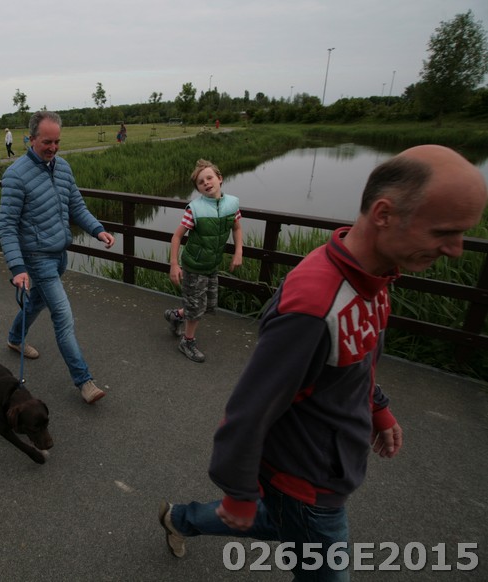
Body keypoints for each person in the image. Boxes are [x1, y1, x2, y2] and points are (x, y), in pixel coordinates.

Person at [158, 145, 488, 580]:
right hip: (307, 478)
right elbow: (249, 408)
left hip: (324, 466)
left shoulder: (375, 277)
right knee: (299, 536)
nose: (457, 249)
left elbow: (358, 357)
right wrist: (237, 490)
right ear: (384, 214)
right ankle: (187, 517)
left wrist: (377, 407)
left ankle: (180, 519)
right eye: (444, 232)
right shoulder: (314, 306)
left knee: (277, 522)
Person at [0, 110, 116, 405]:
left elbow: (76, 206)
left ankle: (14, 338)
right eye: (47, 142)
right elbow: (7, 226)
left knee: (37, 301)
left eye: (57, 142)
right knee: (63, 316)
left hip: (60, 253)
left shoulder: (62, 167)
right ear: (31, 139)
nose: (53, 148)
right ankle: (84, 381)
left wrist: (98, 230)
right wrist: (17, 267)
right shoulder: (15, 175)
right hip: (37, 258)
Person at [164, 159, 242, 362]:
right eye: (201, 182)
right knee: (197, 307)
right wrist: (174, 264)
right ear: (198, 188)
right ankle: (187, 342)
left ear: (220, 179)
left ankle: (176, 315)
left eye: (209, 178)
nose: (206, 182)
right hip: (194, 265)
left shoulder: (232, 204)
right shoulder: (195, 209)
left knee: (206, 304)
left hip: (212, 264)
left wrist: (238, 252)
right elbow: (177, 236)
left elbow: (236, 228)